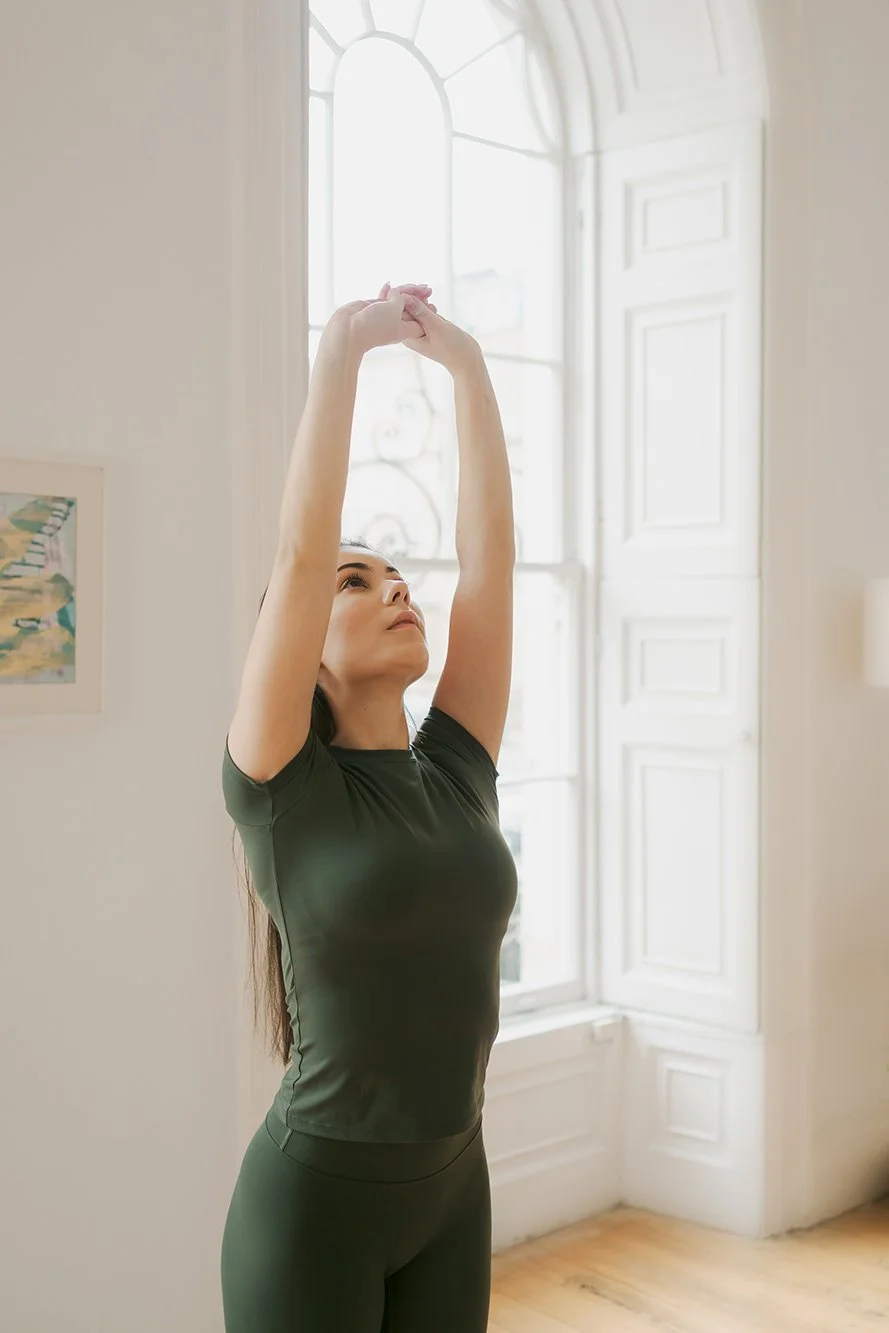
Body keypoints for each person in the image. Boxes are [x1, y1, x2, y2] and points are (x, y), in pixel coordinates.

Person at [219, 281, 518, 1332]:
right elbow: (299, 551)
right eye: (360, 582)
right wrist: (340, 358)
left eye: (396, 573)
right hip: (314, 1209)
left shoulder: (457, 768)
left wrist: (468, 372)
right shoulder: (279, 788)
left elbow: (490, 566)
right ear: (300, 643)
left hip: (455, 1183)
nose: (396, 587)